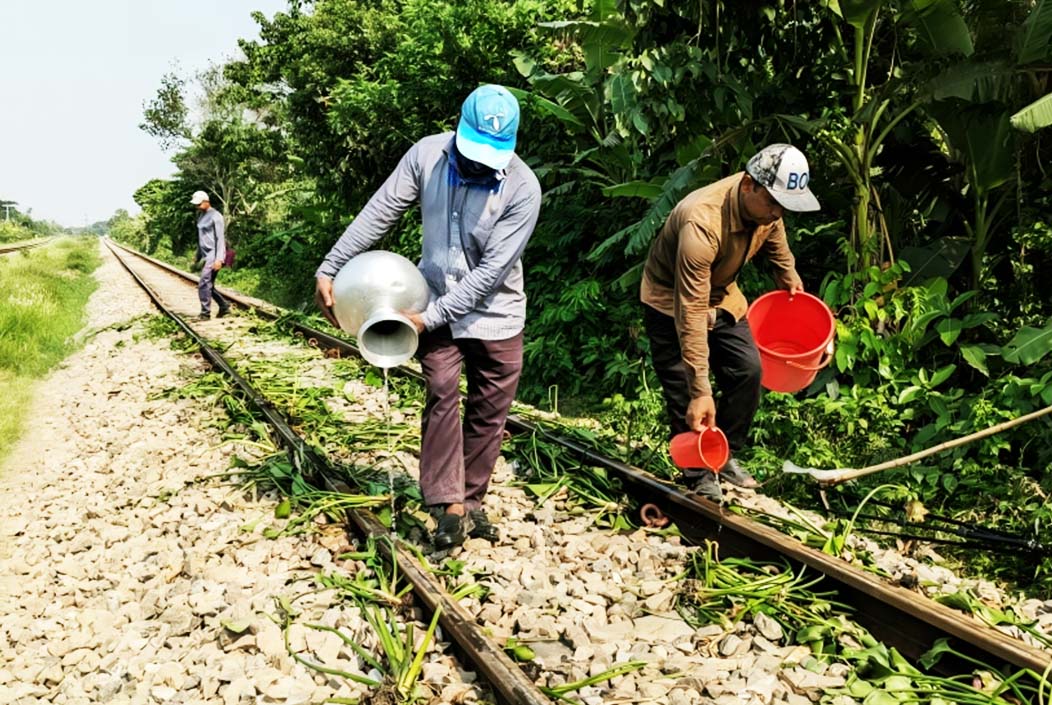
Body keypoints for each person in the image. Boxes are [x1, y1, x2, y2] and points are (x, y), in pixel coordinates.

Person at [314, 85, 542, 549]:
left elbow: (489, 275)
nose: (478, 164)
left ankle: (471, 502)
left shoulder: (523, 189)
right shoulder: (427, 156)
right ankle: (447, 503)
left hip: (496, 312)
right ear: (459, 127)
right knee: (441, 392)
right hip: (433, 297)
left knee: (490, 409)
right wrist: (331, 265)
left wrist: (425, 320)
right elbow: (380, 213)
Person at [640, 144, 821, 501]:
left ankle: (724, 454)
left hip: (723, 296)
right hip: (672, 302)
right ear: (749, 184)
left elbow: (775, 235)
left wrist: (787, 274)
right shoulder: (701, 222)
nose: (777, 212)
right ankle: (698, 472)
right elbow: (690, 310)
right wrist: (701, 390)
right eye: (773, 203)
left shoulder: (767, 210)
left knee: (749, 371)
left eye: (783, 206)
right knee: (685, 390)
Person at [191, 190, 230, 321]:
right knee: (209, 285)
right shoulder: (201, 216)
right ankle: (224, 306)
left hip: (214, 254)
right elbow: (200, 238)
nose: (197, 206)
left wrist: (219, 259)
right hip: (205, 255)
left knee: (203, 283)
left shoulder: (216, 216)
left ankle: (205, 313)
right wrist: (197, 255)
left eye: (199, 204)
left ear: (207, 202)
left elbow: (220, 239)